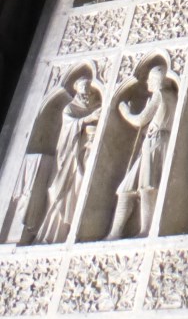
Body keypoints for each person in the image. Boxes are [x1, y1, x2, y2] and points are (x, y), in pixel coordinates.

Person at [106, 65, 177, 239]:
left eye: (150, 79)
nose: (147, 82)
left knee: (147, 185)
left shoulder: (160, 94)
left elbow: (140, 120)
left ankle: (145, 230)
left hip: (156, 141)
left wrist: (125, 110)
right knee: (126, 188)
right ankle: (115, 232)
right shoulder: (171, 95)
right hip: (154, 140)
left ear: (158, 80)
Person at [35, 77, 101, 244]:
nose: (86, 94)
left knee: (79, 187)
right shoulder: (70, 109)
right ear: (77, 91)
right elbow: (69, 127)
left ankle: (74, 229)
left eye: (88, 90)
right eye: (83, 90)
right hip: (68, 156)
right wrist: (89, 118)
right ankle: (54, 233)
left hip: (83, 154)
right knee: (60, 191)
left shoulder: (95, 105)